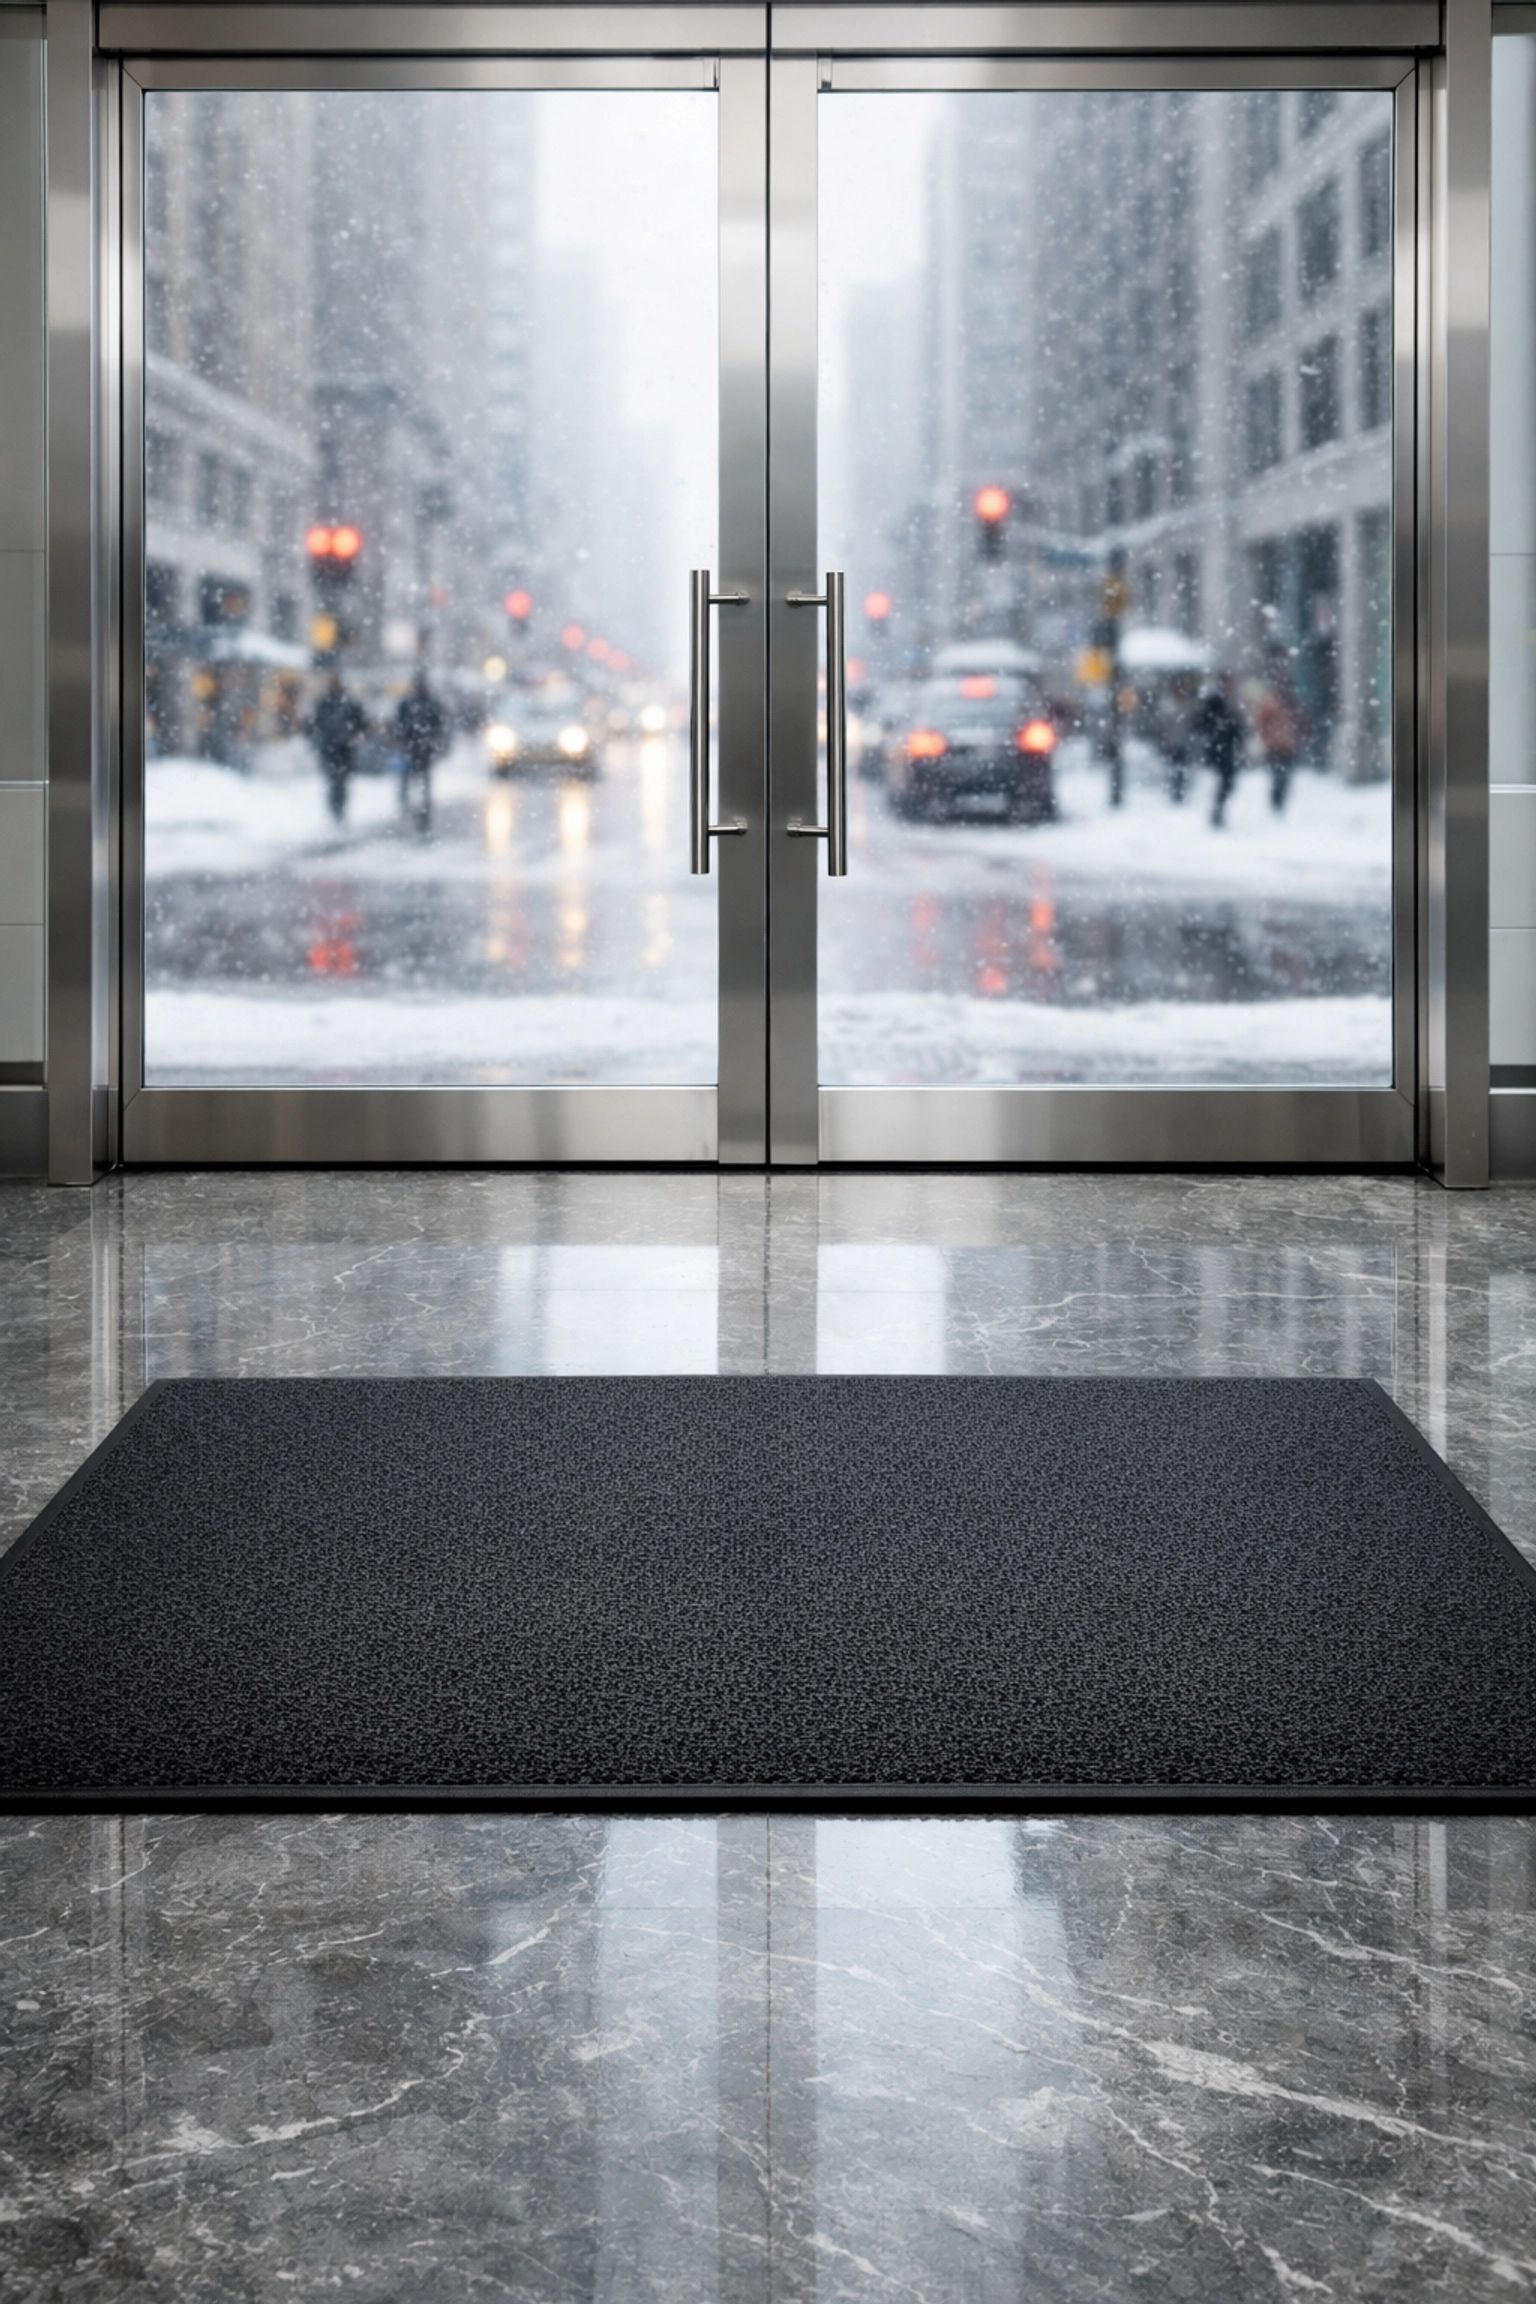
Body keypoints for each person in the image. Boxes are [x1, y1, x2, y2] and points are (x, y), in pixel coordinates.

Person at [306, 672, 368, 823]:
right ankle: (335, 809)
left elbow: (361, 723)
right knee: (333, 779)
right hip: (329, 748)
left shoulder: (348, 703)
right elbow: (313, 724)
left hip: (343, 749)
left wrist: (354, 737)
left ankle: (339, 809)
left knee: (341, 781)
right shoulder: (324, 703)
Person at [394, 668, 448, 834]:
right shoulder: (407, 703)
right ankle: (408, 808)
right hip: (410, 749)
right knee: (408, 781)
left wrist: (439, 744)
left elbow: (439, 726)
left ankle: (423, 813)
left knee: (423, 783)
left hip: (424, 750)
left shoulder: (430, 703)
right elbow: (398, 725)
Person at [1191, 675, 1247, 829]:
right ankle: (1217, 811)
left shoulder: (1230, 701)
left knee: (1228, 782)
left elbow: (1236, 725)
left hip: (1225, 748)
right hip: (1218, 748)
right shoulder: (1215, 702)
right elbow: (1201, 723)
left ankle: (1218, 810)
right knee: (1226, 781)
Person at [1254, 676, 1305, 815]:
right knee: (1278, 776)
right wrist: (1267, 739)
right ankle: (1276, 803)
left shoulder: (1292, 703)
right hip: (1274, 747)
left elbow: (1300, 722)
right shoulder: (1271, 703)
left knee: (1285, 777)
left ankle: (1279, 802)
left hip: (1288, 746)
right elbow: (1261, 724)